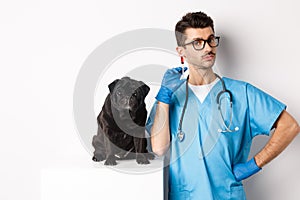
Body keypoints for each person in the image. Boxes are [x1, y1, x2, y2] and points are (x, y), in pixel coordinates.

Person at [145, 11, 299, 200]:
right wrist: (164, 97)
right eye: (197, 43)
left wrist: (253, 165)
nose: (208, 48)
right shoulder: (170, 98)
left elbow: (289, 126)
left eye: (211, 40)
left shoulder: (242, 93)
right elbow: (159, 148)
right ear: (181, 52)